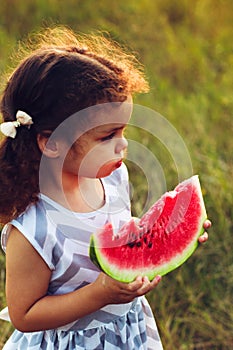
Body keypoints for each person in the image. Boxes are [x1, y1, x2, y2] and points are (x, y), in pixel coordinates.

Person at [0, 27, 210, 350]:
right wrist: (100, 293)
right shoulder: (34, 229)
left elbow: (128, 235)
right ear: (51, 142)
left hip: (124, 333)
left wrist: (168, 233)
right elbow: (24, 314)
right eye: (107, 136)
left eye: (123, 131)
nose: (123, 145)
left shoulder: (114, 178)